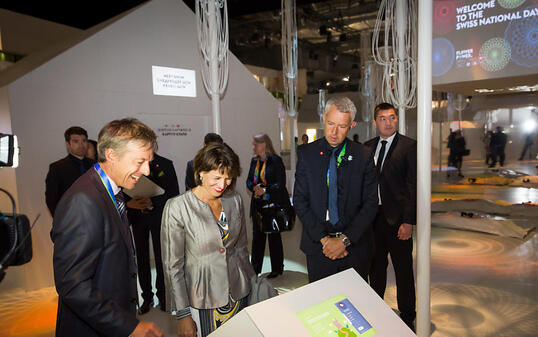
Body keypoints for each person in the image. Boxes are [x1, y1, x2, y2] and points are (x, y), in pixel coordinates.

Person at [52, 118, 163, 337]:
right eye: (140, 162)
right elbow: (72, 285)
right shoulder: (83, 200)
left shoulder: (110, 190)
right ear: (112, 155)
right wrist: (128, 326)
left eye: (148, 162)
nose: (147, 171)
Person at [162, 143, 255, 337]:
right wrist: (183, 313)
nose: (223, 185)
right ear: (200, 173)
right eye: (217, 177)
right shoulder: (178, 207)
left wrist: (252, 285)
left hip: (238, 291)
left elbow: (241, 248)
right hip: (202, 297)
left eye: (228, 178)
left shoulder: (234, 199)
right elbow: (173, 266)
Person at [293, 96, 378, 283]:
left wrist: (343, 241)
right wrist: (325, 240)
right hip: (318, 247)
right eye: (331, 123)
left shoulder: (363, 155)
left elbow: (371, 204)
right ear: (323, 118)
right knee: (322, 305)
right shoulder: (307, 154)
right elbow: (300, 200)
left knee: (355, 306)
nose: (334, 132)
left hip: (355, 248)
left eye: (342, 126)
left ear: (352, 125)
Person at [364, 103, 417, 331]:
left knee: (403, 269)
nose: (388, 122)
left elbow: (413, 186)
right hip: (372, 221)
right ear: (376, 122)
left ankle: (407, 315)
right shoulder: (367, 147)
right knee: (375, 269)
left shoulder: (409, 146)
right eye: (383, 118)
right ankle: (376, 309)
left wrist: (409, 221)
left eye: (392, 117)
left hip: (398, 222)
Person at [126, 153, 180, 315]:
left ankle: (163, 297)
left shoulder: (165, 163)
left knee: (161, 258)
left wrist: (153, 202)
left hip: (159, 218)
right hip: (138, 218)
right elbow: (123, 189)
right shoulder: (131, 163)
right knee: (141, 259)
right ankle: (146, 298)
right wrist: (133, 204)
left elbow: (173, 193)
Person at [247, 133, 287, 278]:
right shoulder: (254, 162)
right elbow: (248, 181)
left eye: (255, 144)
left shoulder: (276, 161)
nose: (253, 147)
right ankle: (255, 270)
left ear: (264, 144)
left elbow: (281, 183)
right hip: (258, 205)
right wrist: (254, 187)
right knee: (257, 238)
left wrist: (266, 189)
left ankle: (277, 269)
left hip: (272, 205)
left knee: (274, 238)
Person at [45, 126, 94, 216]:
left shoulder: (95, 165)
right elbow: (51, 200)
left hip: (94, 217)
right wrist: (61, 221)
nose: (81, 145)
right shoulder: (57, 168)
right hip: (69, 219)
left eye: (84, 141)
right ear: (68, 144)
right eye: (76, 141)